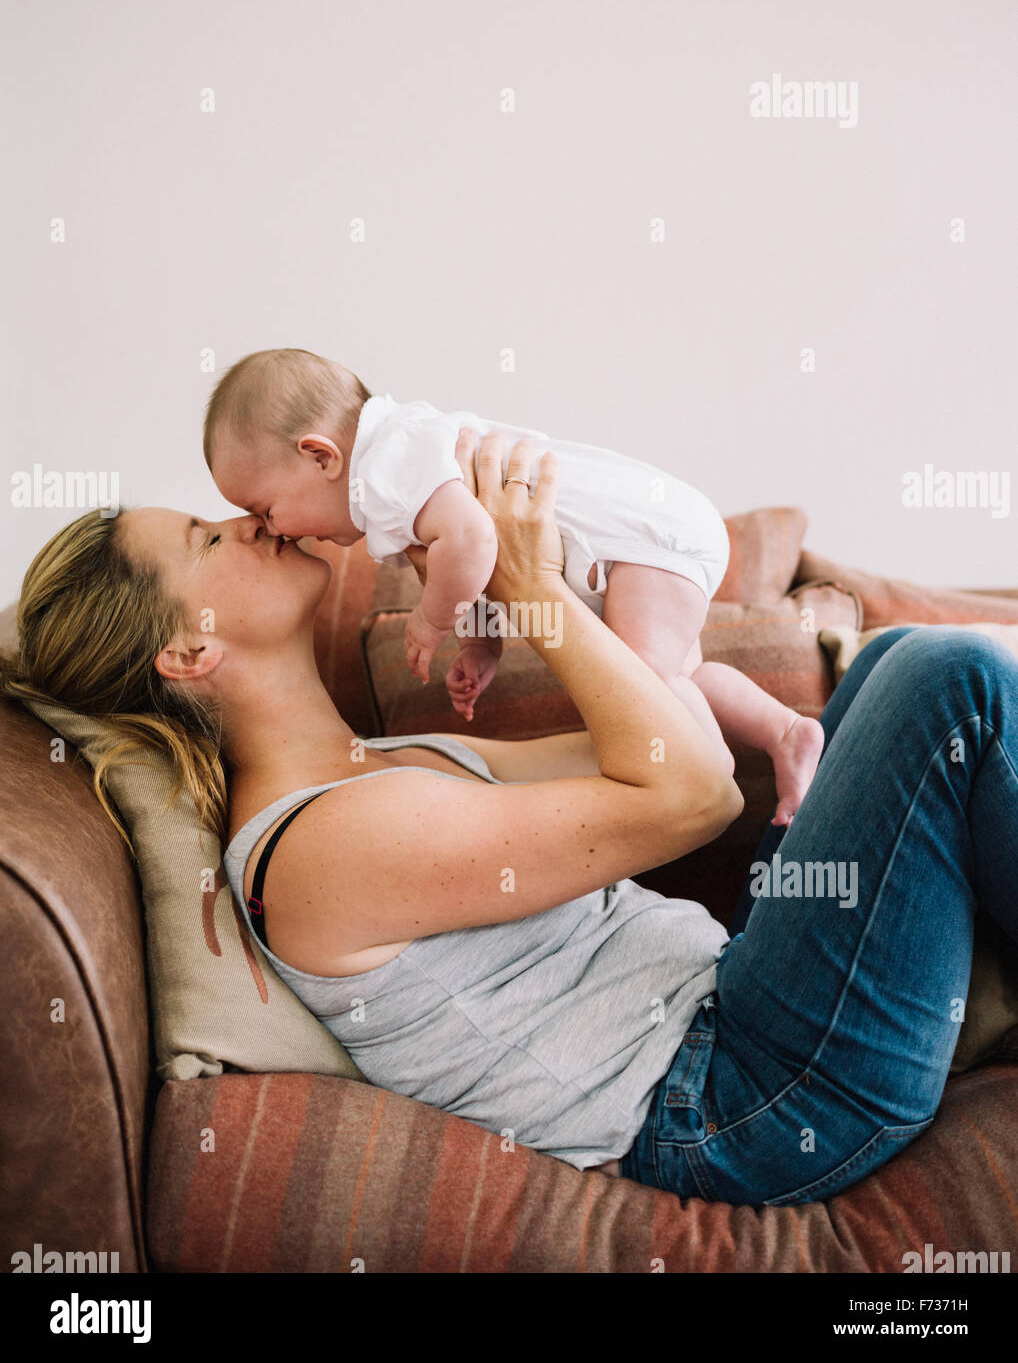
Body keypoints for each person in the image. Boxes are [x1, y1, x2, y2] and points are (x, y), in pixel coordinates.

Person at [3, 431, 1016, 1204]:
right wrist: (529, 587)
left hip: (736, 1005)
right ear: (187, 652)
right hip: (740, 1104)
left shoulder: (391, 766)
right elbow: (697, 795)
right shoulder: (318, 847)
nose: (250, 520)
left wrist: (534, 567)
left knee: (888, 666)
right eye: (206, 537)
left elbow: (669, 750)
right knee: (945, 678)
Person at [202, 348, 824, 824]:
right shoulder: (397, 472)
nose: (268, 528)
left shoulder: (387, 466)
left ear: (320, 457)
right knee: (680, 672)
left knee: (645, 681)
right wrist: (482, 645)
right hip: (654, 538)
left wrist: (431, 621)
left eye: (266, 507)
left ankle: (706, 776)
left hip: (643, 539)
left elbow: (471, 543)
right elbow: (483, 560)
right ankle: (783, 731)